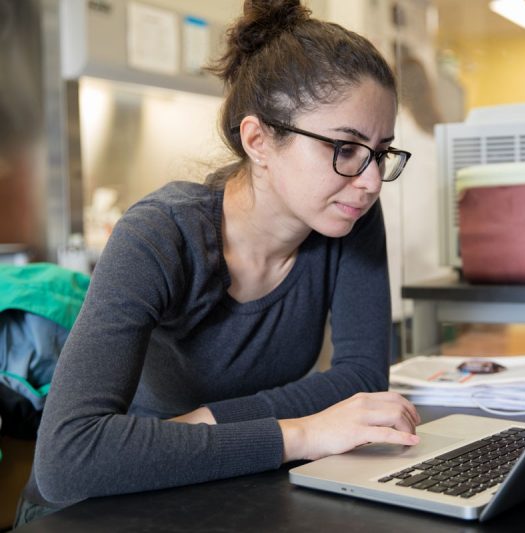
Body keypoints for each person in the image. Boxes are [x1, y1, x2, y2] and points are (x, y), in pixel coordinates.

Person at [16, 0, 420, 525]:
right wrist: (301, 432)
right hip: (99, 505)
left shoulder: (348, 214)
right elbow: (69, 458)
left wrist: (207, 422)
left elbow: (362, 376)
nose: (368, 180)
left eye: (381, 152)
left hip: (224, 486)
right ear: (258, 141)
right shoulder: (161, 235)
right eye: (345, 147)